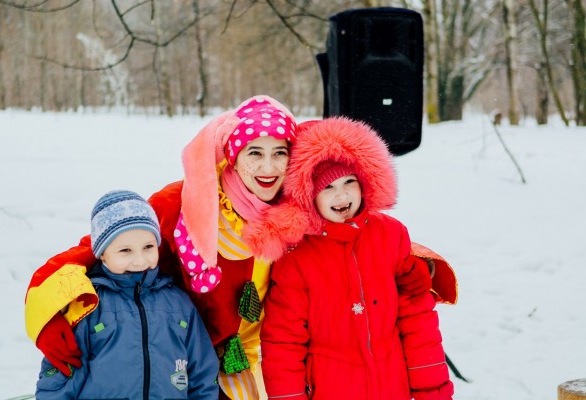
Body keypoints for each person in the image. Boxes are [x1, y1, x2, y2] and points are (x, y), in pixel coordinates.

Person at [24, 95, 456, 400]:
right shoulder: (185, 201)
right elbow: (103, 247)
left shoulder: (293, 205)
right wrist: (45, 309)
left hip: (256, 362)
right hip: (177, 360)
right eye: (255, 153)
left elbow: (351, 232)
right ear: (232, 155)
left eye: (279, 153)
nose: (268, 168)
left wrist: (416, 264)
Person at [257, 117, 454, 399]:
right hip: (330, 387)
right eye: (327, 187)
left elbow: (419, 325)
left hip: (391, 385)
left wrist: (433, 392)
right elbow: (283, 343)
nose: (342, 195)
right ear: (308, 194)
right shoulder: (297, 257)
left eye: (349, 181)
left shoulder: (390, 236)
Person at [35, 190, 218, 399]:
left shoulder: (179, 303)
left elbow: (202, 373)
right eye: (125, 251)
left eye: (148, 247)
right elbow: (60, 380)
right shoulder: (87, 304)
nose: (140, 261)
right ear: (102, 252)